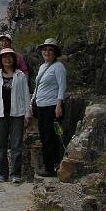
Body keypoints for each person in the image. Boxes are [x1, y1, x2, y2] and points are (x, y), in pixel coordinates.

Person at [0, 48, 31, 183]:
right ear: (1, 60)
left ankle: (16, 174)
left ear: (14, 59)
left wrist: (27, 114)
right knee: (1, 145)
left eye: (10, 57)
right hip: (0, 114)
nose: (7, 59)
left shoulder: (20, 75)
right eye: (4, 57)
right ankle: (2, 173)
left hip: (17, 113)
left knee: (16, 145)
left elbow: (26, 95)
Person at [32, 38, 67, 177]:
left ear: (55, 53)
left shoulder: (58, 67)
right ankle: (48, 165)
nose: (47, 52)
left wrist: (59, 105)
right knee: (44, 137)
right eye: (45, 49)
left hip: (51, 106)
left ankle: (52, 167)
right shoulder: (43, 67)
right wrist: (32, 102)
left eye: (50, 49)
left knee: (50, 138)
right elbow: (38, 86)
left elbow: (62, 86)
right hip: (41, 106)